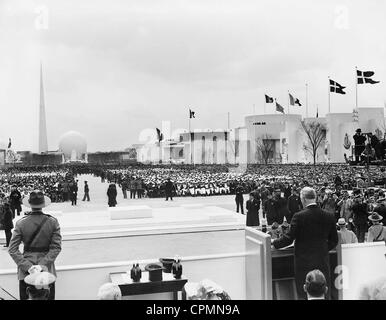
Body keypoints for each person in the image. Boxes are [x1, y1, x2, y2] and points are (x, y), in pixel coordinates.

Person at [272, 187, 338, 299]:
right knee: (322, 292)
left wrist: (274, 243)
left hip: (303, 262)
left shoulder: (299, 216)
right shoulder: (329, 215)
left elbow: (289, 238)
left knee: (304, 294)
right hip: (322, 260)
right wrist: (321, 249)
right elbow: (334, 240)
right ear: (315, 198)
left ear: (303, 199)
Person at [8, 191, 62, 300]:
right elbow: (56, 247)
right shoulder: (53, 222)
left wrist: (29, 267)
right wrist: (41, 265)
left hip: (26, 271)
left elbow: (12, 249)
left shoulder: (21, 223)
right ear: (43, 204)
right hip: (46, 270)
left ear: (30, 204)